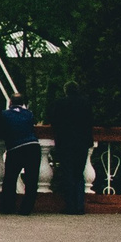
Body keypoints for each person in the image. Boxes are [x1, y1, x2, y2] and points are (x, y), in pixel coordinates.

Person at [50, 81, 94, 214]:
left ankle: (70, 205)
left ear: (66, 91)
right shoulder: (85, 103)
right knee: (79, 174)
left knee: (68, 173)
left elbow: (54, 122)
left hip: (65, 143)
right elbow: (90, 121)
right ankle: (80, 206)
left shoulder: (60, 103)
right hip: (82, 143)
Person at [0, 91, 41, 214]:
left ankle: (8, 206)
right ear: (23, 103)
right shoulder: (29, 114)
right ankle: (26, 208)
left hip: (16, 148)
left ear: (10, 102)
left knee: (10, 178)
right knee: (31, 179)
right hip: (33, 146)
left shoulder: (5, 114)